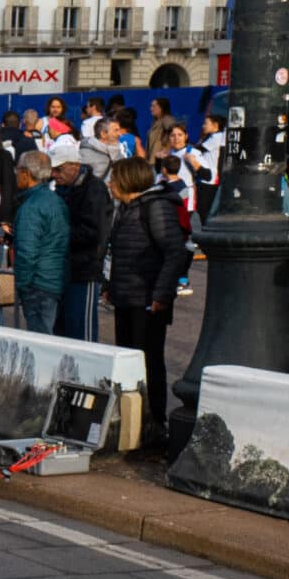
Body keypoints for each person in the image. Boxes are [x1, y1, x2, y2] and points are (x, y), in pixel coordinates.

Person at [106, 156, 192, 453]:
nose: (110, 184)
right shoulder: (126, 209)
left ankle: (154, 425)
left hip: (147, 300)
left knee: (150, 362)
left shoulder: (154, 207)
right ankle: (134, 425)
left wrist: (160, 294)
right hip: (127, 297)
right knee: (131, 361)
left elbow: (174, 252)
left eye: (114, 178)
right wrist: (111, 287)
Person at [48, 137, 110, 342]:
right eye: (53, 170)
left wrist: (57, 234)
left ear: (74, 166)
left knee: (81, 331)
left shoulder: (94, 189)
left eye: (58, 170)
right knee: (63, 329)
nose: (54, 175)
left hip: (84, 268)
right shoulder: (64, 188)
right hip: (65, 267)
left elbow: (94, 231)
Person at [9, 150, 70, 336]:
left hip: (37, 283)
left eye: (17, 170)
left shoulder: (31, 207)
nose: (15, 174)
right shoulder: (55, 200)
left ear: (26, 173)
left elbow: (28, 252)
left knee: (40, 340)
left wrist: (23, 284)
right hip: (54, 278)